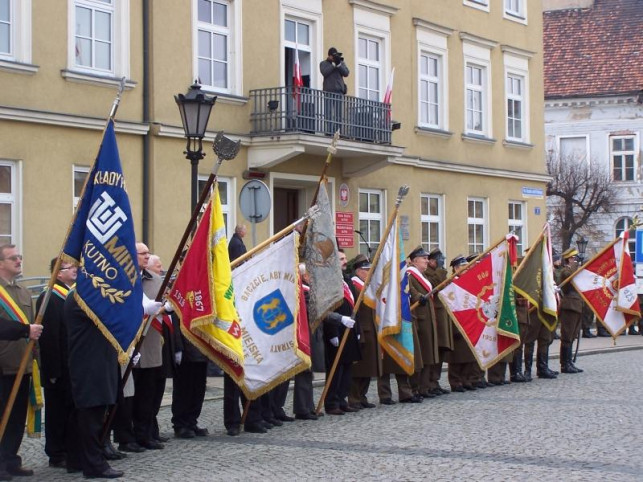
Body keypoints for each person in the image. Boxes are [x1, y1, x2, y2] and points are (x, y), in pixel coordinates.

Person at [36, 258, 77, 469]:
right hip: (58, 368)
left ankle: (69, 448)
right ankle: (56, 452)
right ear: (57, 273)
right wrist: (52, 370)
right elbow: (50, 338)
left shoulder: (70, 293)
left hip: (72, 365)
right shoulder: (50, 296)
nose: (75, 270)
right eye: (70, 267)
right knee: (57, 412)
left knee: (70, 410)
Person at [0, 245, 35, 479]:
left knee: (16, 418)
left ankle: (11, 459)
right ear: (1, 263)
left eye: (20, 257)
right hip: (2, 364)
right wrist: (24, 330)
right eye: (13, 258)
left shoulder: (24, 292)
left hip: (23, 363)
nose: (19, 261)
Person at [131, 243, 166, 450]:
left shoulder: (156, 280)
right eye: (143, 253)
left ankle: (146, 433)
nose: (147, 256)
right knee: (130, 395)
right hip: (131, 343)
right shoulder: (125, 278)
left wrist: (165, 309)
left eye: (147, 253)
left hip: (152, 341)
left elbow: (162, 305)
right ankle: (128, 435)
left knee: (148, 393)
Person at [323, 250, 360, 415]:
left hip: (349, 328)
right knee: (335, 369)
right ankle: (331, 402)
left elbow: (353, 306)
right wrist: (332, 334)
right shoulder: (329, 281)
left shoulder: (346, 280)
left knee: (347, 366)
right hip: (336, 329)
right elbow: (328, 308)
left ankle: (342, 398)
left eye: (345, 258)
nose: (345, 261)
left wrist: (357, 329)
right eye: (341, 259)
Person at [407, 246, 439, 401]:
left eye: (427, 258)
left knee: (428, 354)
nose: (427, 261)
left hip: (428, 319)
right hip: (418, 319)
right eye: (423, 258)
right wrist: (418, 296)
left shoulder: (423, 275)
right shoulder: (409, 274)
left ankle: (425, 387)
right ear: (414, 260)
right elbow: (410, 290)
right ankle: (415, 388)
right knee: (420, 357)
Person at [348, 254, 380, 410]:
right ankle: (354, 398)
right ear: (359, 271)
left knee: (368, 366)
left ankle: (362, 396)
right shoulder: (354, 286)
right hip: (361, 330)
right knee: (359, 367)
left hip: (371, 329)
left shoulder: (366, 286)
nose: (369, 273)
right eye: (366, 270)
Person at [445, 255, 478, 392]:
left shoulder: (468, 281)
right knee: (457, 356)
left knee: (469, 355)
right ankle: (456, 381)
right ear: (456, 268)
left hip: (469, 321)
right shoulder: (451, 283)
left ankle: (466, 379)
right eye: (464, 267)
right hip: (457, 321)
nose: (467, 269)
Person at [423, 248, 453, 395]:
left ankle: (435, 381)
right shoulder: (427, 274)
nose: (442, 263)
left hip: (442, 316)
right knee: (433, 351)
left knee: (440, 351)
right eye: (439, 260)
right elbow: (436, 284)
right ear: (432, 261)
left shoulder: (439, 273)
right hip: (434, 315)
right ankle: (428, 382)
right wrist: (441, 271)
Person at [293, 264, 318, 420]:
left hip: (309, 334)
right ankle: (303, 408)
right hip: (302, 335)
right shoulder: (304, 292)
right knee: (304, 372)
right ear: (304, 276)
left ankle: (308, 406)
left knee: (308, 373)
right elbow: (312, 311)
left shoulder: (307, 290)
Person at [559, 247, 585, 374]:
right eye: (574, 258)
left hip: (577, 306)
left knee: (573, 335)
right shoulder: (565, 271)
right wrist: (575, 265)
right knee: (567, 336)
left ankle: (569, 362)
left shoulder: (575, 270)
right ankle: (564, 364)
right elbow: (569, 278)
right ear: (569, 259)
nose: (576, 260)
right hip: (569, 306)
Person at [320, 47, 349, 135]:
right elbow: (324, 72)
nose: (335, 58)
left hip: (339, 92)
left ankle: (337, 131)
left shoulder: (340, 63)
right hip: (328, 92)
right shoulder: (323, 63)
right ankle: (329, 131)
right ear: (329, 56)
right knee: (328, 113)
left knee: (338, 114)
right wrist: (333, 65)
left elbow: (346, 73)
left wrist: (339, 64)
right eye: (334, 56)